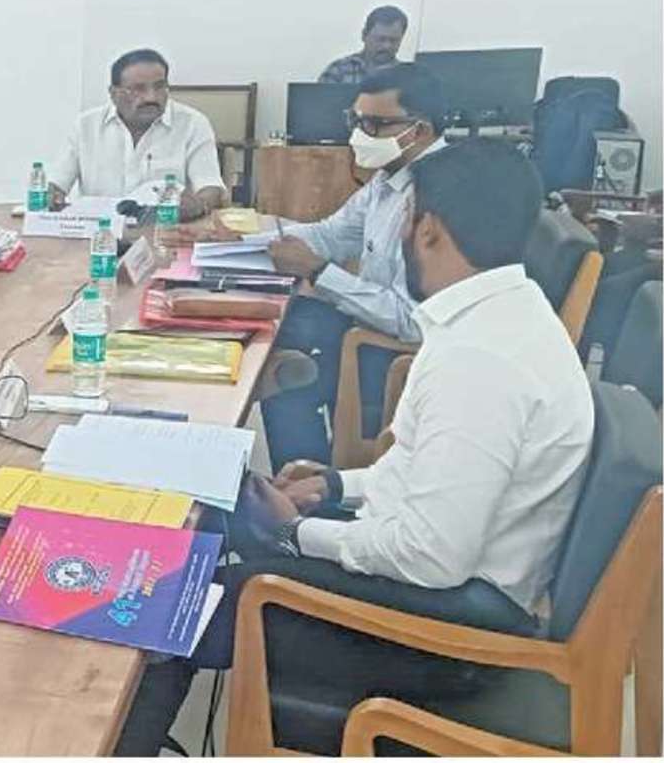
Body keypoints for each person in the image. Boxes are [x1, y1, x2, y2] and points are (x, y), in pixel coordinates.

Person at [115, 138, 593, 756]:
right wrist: (335, 487)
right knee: (215, 523)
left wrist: (296, 534)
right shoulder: (505, 321)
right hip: (456, 587)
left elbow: (430, 557)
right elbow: (429, 472)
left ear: (428, 229)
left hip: (450, 638)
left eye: (405, 220)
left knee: (182, 604)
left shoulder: (480, 362)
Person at [257, 63, 450, 468]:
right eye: (356, 120)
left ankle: (306, 487)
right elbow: (331, 234)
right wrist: (246, 240)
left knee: (285, 373)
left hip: (399, 350)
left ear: (419, 130)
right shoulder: (390, 175)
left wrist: (318, 271)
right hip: (370, 321)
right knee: (275, 324)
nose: (360, 134)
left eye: (375, 124)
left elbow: (412, 320)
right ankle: (305, 479)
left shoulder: (439, 195)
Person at [47, 48, 227, 220]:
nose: (151, 97)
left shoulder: (192, 124)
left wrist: (198, 205)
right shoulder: (86, 126)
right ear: (113, 94)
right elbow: (56, 184)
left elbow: (211, 187)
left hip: (166, 230)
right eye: (138, 89)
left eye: (160, 87)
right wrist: (51, 196)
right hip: (101, 231)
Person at [319, 5, 408, 85]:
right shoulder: (338, 71)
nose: (387, 46)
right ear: (364, 35)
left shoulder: (407, 78)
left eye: (394, 40)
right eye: (381, 39)